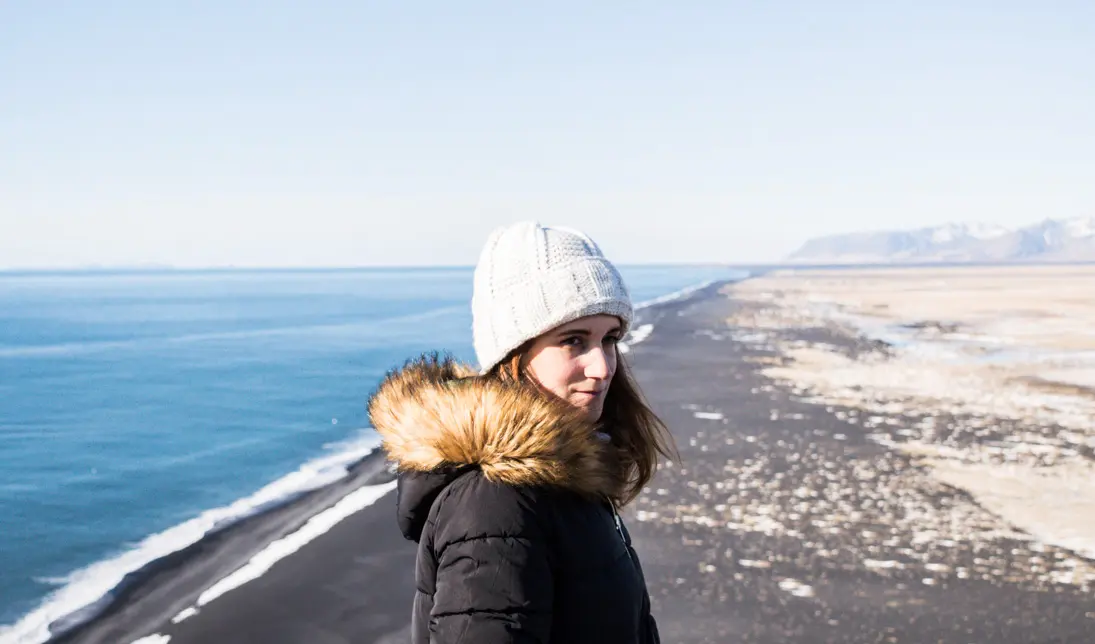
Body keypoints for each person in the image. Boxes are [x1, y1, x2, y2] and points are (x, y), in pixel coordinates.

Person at [368, 221, 675, 643]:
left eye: (610, 339)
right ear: (513, 352)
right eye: (573, 340)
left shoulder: (560, 479)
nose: (602, 367)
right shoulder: (495, 503)